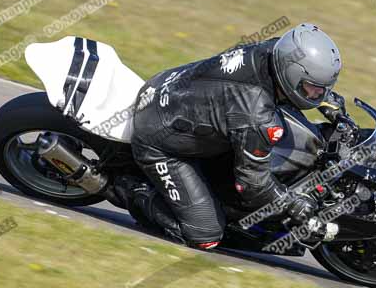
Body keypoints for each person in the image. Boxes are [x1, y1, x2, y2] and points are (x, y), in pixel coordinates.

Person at [114, 23, 344, 250]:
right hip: (158, 138)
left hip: (173, 89)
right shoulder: (256, 115)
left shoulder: (277, 50)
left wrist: (325, 99)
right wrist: (291, 203)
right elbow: (253, 185)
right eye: (314, 88)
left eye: (323, 88)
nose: (318, 94)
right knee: (205, 234)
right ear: (292, 74)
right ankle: (128, 187)